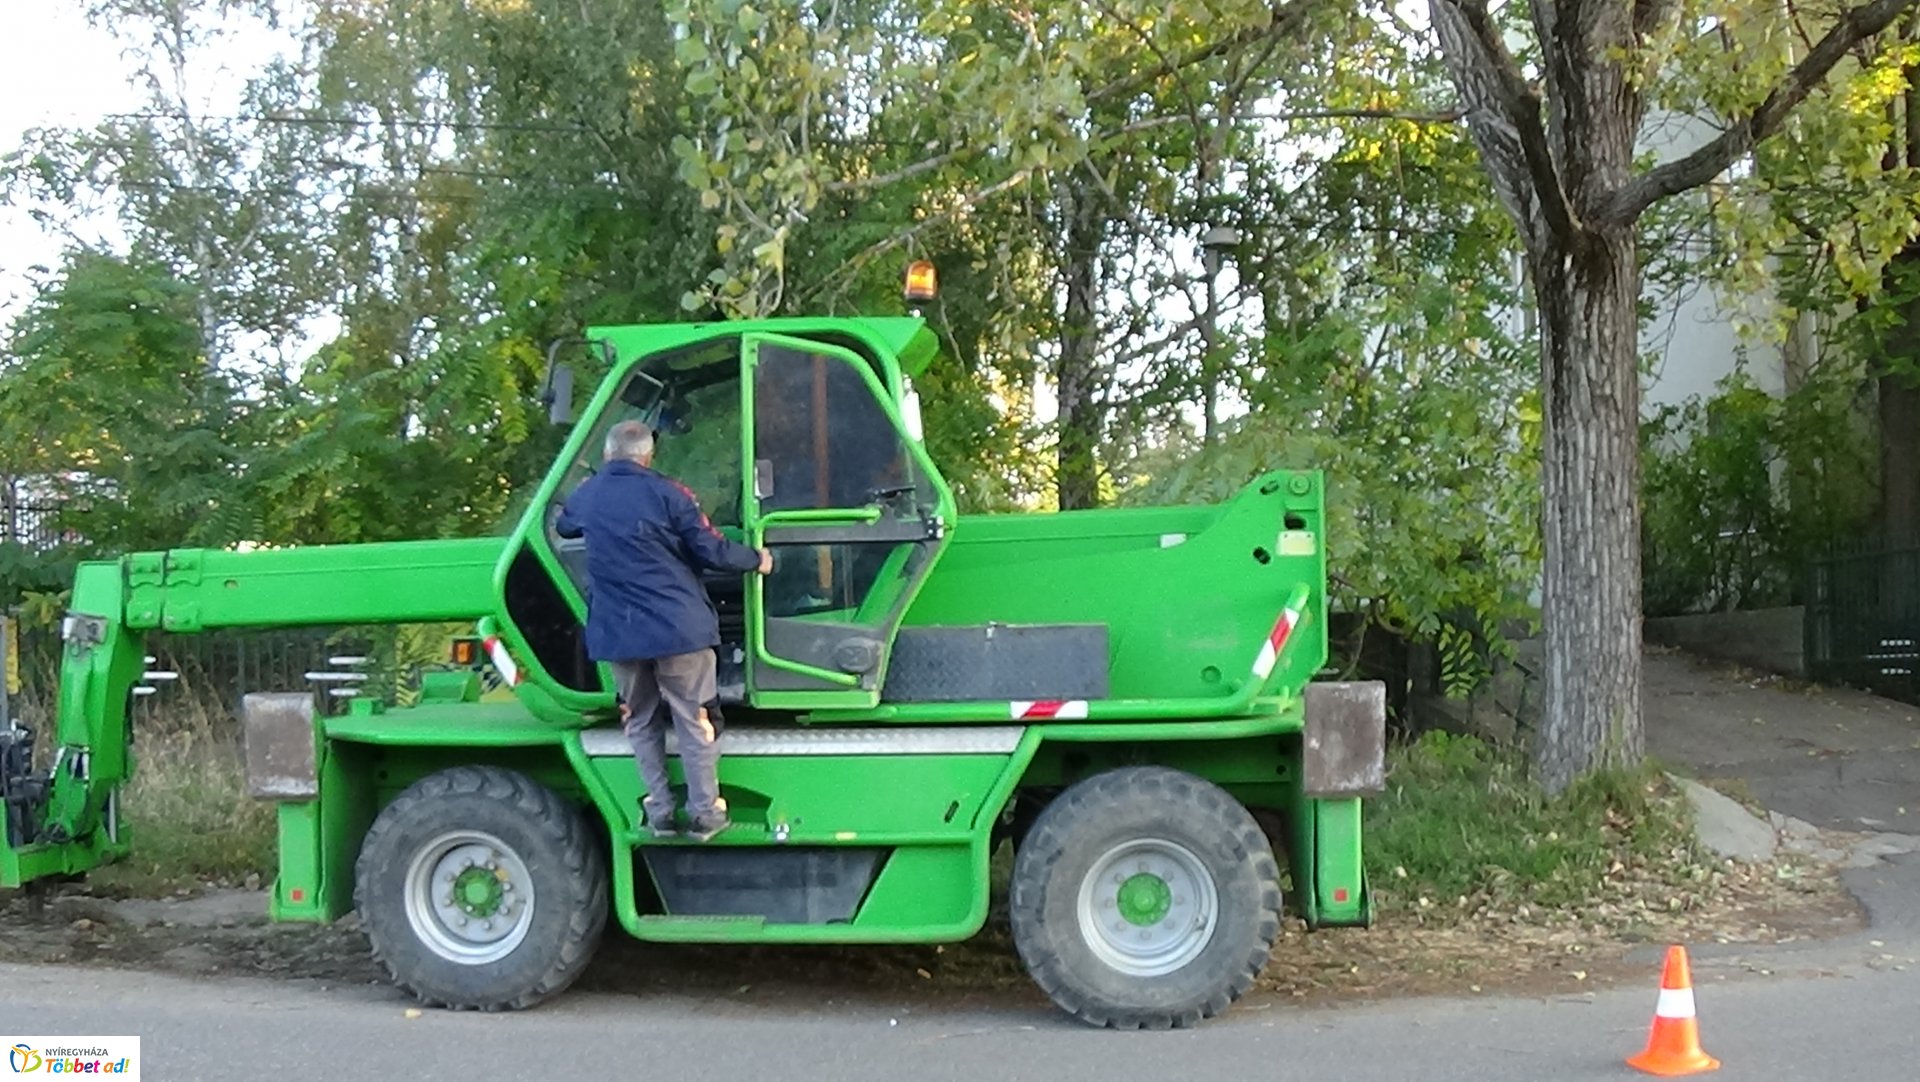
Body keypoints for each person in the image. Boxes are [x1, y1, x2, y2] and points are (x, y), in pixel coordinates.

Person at [555, 419, 772, 842]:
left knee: (640, 720)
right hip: (679, 631)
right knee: (695, 718)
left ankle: (659, 810)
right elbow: (711, 550)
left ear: (607, 454)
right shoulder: (670, 494)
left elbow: (565, 526)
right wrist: (756, 559)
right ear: (649, 455)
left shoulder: (588, 495)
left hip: (619, 635)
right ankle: (706, 814)